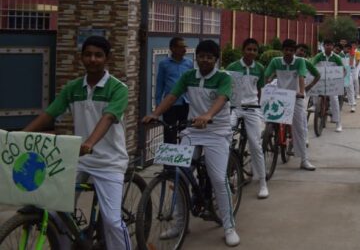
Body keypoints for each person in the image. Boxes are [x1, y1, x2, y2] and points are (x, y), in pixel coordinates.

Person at [24, 36, 132, 250]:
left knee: (112, 221)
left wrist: (90, 142)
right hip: (79, 159)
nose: (93, 59)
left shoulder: (118, 88)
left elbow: (108, 117)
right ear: (81, 57)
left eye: (98, 55)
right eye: (88, 54)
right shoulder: (72, 88)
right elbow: (49, 114)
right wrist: (19, 136)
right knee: (55, 211)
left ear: (107, 58)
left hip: (110, 162)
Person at [144, 39, 240, 246]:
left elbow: (222, 98)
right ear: (196, 58)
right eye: (201, 56)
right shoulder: (188, 76)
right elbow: (172, 96)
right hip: (192, 130)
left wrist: (208, 115)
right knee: (178, 175)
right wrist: (155, 114)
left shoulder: (223, 77)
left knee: (218, 178)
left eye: (209, 57)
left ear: (216, 59)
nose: (205, 60)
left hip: (217, 132)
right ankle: (180, 224)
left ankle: (229, 226)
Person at [225, 38, 269, 199]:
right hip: (235, 107)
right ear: (243, 50)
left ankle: (263, 183)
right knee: (226, 138)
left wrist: (260, 107)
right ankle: (226, 176)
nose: (251, 52)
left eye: (254, 50)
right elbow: (227, 88)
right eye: (248, 49)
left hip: (252, 108)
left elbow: (260, 89)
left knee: (255, 145)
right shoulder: (233, 67)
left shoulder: (260, 68)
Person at [266, 39, 317, 171]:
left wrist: (301, 92)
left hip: (295, 97)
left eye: (291, 50)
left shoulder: (300, 61)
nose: (288, 52)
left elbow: (301, 77)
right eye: (286, 50)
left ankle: (304, 160)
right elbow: (266, 75)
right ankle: (268, 138)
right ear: (282, 50)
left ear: (294, 52)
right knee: (268, 120)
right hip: (279, 96)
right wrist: (266, 83)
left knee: (299, 129)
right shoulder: (275, 61)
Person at [155, 37, 193, 145]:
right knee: (169, 133)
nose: (184, 50)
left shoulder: (189, 63)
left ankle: (183, 154)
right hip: (169, 104)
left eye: (185, 47)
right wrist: (158, 104)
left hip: (185, 103)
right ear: (172, 48)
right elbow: (160, 84)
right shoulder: (164, 64)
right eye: (181, 47)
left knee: (185, 133)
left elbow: (192, 83)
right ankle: (169, 156)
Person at [311, 40, 347, 132]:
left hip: (332, 83)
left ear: (332, 47)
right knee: (314, 90)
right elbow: (312, 65)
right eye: (327, 45)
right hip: (321, 80)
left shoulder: (336, 57)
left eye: (330, 45)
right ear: (324, 46)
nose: (329, 47)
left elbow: (343, 69)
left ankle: (338, 123)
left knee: (334, 99)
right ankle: (315, 105)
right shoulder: (319, 56)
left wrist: (341, 78)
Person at [336, 43, 357, 112]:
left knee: (350, 89)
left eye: (349, 49)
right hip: (339, 73)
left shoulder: (350, 55)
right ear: (344, 48)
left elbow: (351, 64)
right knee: (338, 90)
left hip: (348, 72)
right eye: (347, 48)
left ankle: (352, 105)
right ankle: (337, 106)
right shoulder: (339, 55)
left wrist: (351, 67)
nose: (348, 50)